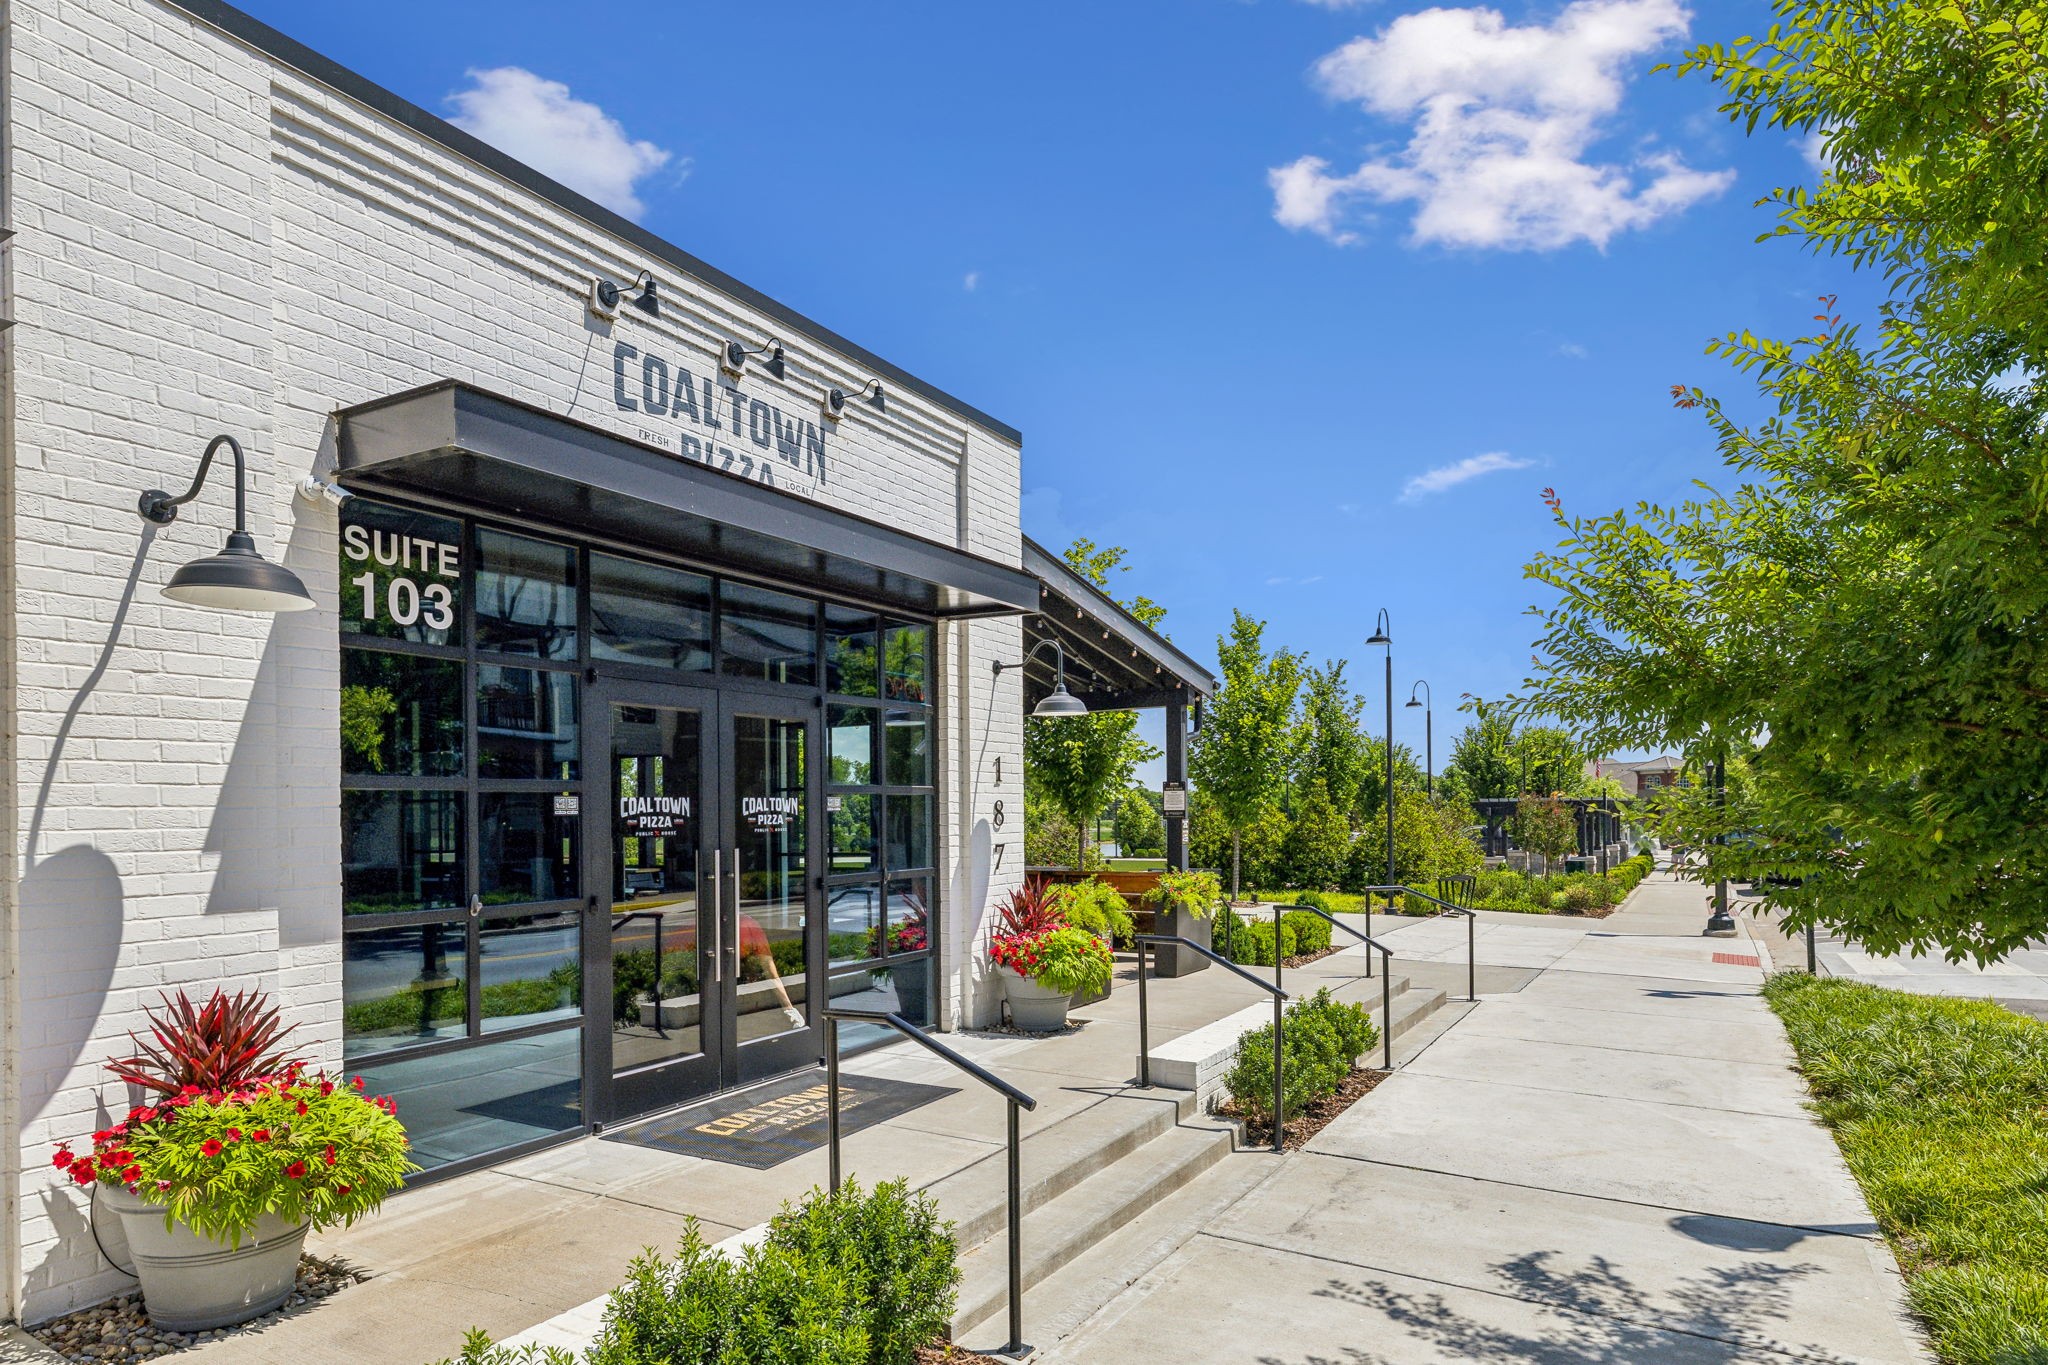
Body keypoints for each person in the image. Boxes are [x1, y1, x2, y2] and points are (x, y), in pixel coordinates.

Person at [736, 912, 806, 1032]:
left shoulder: (748, 926)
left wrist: (789, 1008)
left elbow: (769, 969)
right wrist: (789, 1009)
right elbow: (769, 969)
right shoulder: (748, 925)